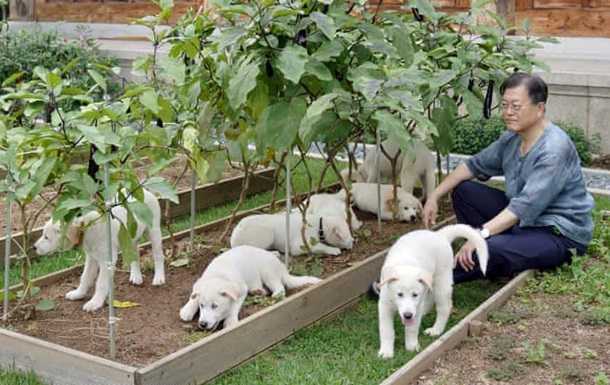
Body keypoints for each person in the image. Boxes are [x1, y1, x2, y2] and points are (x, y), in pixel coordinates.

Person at [422, 72, 594, 283]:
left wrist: (480, 235)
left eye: (516, 106)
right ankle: (502, 253)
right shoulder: (513, 138)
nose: (508, 112)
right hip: (524, 222)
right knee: (464, 191)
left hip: (557, 234)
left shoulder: (553, 149)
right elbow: (473, 165)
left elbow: (524, 206)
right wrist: (434, 195)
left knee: (487, 248)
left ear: (539, 109)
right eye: (504, 105)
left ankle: (420, 281)